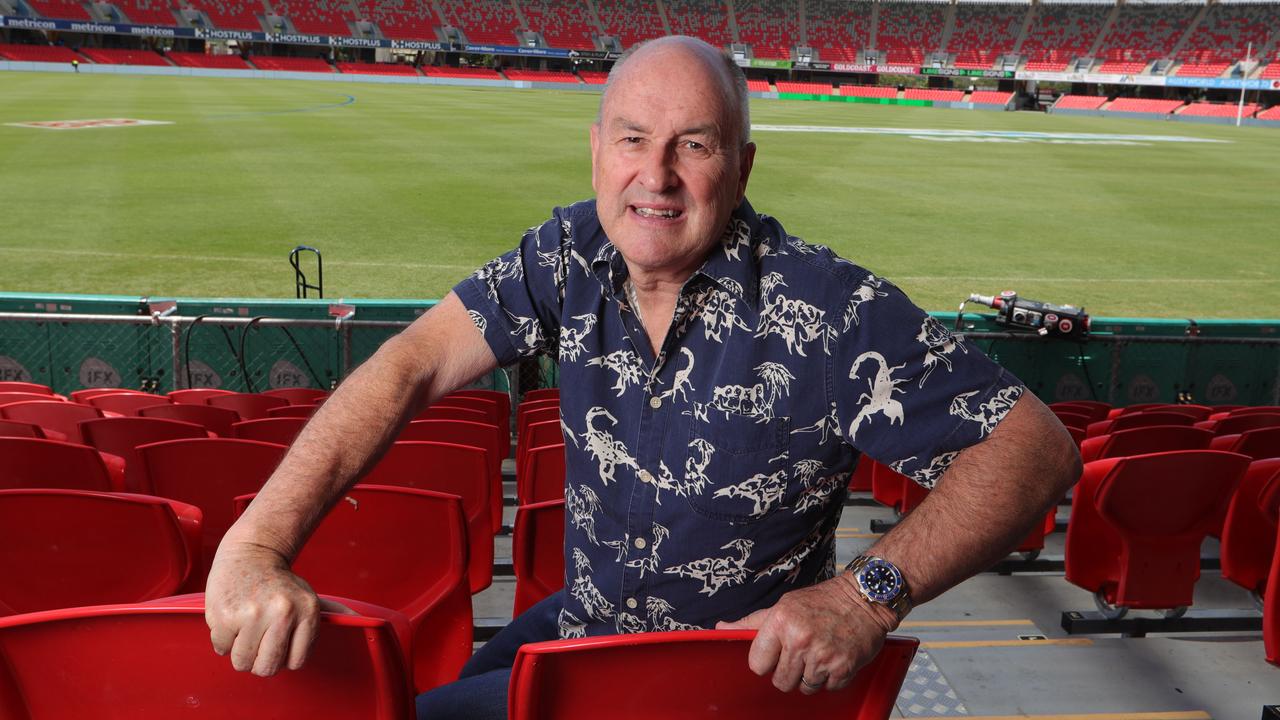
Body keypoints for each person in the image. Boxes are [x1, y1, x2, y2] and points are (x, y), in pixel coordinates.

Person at [204, 35, 1080, 719]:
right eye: (632, 140)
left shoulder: (828, 307)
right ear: (597, 154)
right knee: (426, 679)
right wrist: (254, 546)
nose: (654, 177)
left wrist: (864, 597)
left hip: (719, 681)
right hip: (589, 627)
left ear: (739, 168)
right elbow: (411, 364)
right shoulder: (572, 252)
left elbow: (1035, 450)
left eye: (692, 146)